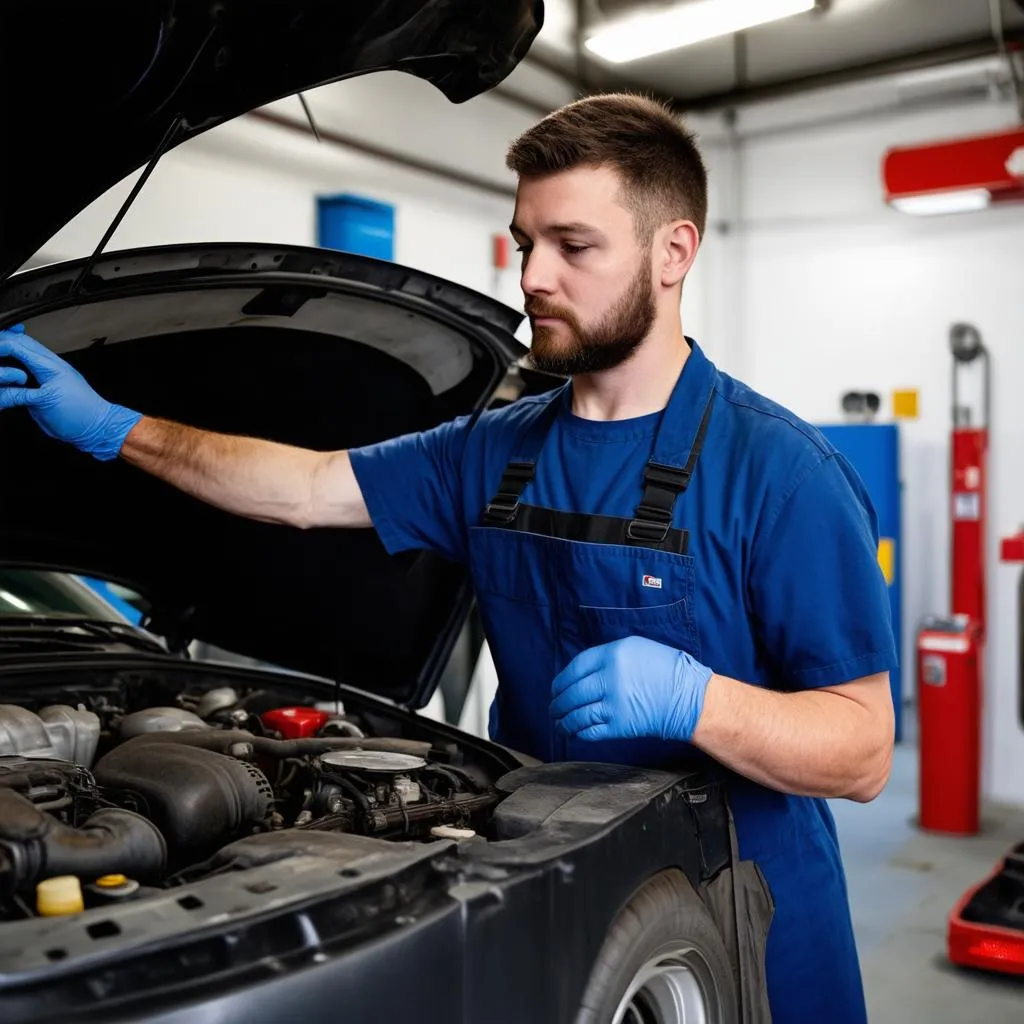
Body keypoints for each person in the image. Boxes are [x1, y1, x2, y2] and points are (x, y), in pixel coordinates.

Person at [0, 93, 896, 1022]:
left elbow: (864, 749)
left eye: (574, 246)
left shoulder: (782, 475)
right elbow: (302, 488)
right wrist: (115, 427)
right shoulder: (489, 450)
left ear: (673, 253)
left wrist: (699, 702)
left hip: (748, 917)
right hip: (552, 890)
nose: (534, 277)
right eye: (525, 242)